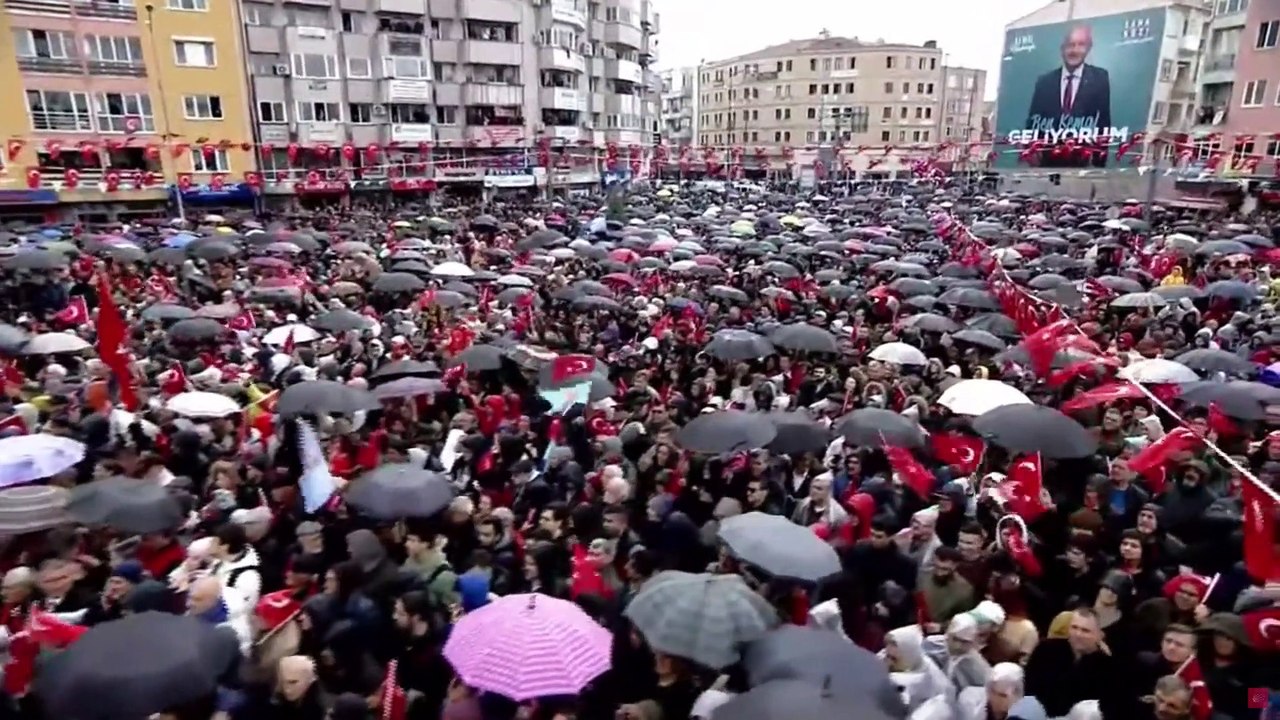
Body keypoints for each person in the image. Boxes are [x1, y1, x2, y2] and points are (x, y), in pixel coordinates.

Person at [1024, 24, 1113, 167]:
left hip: (1082, 163)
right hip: (1047, 164)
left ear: (1088, 49)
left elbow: (1103, 122)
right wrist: (1032, 156)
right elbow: (1033, 123)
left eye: (1081, 45)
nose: (1074, 50)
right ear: (1062, 49)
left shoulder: (1099, 78)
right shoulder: (1045, 81)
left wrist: (1098, 163)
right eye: (1070, 45)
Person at [1024, 608, 1124, 718]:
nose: (1078, 634)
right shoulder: (1046, 649)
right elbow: (1029, 686)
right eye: (1074, 627)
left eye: (1085, 630)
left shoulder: (1109, 667)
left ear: (1099, 635)